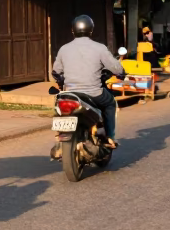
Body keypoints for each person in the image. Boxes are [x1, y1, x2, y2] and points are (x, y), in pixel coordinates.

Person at [49, 14, 125, 158]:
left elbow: (56, 72)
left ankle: (59, 140)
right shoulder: (100, 48)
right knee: (110, 103)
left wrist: (61, 81)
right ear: (91, 30)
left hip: (70, 94)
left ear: (73, 31)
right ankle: (110, 137)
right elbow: (116, 68)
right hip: (94, 93)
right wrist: (121, 73)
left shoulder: (64, 49)